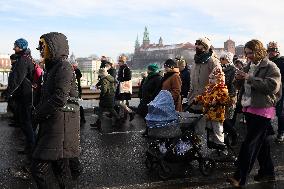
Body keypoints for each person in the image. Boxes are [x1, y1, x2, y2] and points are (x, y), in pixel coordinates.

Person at [227, 39, 281, 187]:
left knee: (249, 143)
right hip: (249, 108)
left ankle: (239, 177)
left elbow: (273, 86)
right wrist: (237, 80)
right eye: (246, 53)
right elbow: (242, 86)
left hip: (263, 109)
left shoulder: (270, 66)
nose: (248, 56)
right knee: (262, 143)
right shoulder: (249, 65)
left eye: (250, 53)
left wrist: (249, 78)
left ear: (258, 51)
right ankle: (267, 171)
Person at [31, 32, 80, 189]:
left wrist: (37, 113)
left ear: (53, 47)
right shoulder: (52, 68)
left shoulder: (63, 67)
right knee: (61, 171)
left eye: (43, 47)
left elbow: (60, 97)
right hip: (55, 124)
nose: (40, 50)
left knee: (39, 169)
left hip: (60, 126)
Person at [5, 38, 35, 156]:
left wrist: (8, 93)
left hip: (24, 95)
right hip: (25, 94)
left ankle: (32, 148)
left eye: (16, 46)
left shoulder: (23, 60)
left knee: (26, 122)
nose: (14, 48)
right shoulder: (27, 58)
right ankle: (30, 147)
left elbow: (17, 79)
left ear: (21, 47)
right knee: (25, 122)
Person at [195, 66, 231, 151]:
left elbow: (225, 99)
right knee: (209, 129)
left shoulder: (222, 89)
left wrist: (218, 100)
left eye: (213, 79)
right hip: (208, 113)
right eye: (210, 78)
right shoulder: (209, 88)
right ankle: (212, 144)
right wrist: (198, 98)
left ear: (219, 79)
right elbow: (204, 96)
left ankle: (221, 145)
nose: (211, 80)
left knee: (217, 130)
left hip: (217, 114)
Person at [188, 37, 220, 111]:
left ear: (205, 46)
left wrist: (212, 99)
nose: (196, 46)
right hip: (193, 101)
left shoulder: (213, 61)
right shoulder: (195, 61)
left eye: (199, 44)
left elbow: (219, 82)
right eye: (196, 44)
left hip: (206, 103)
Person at [267, 41, 284, 142]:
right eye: (269, 50)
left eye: (273, 50)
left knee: (279, 111)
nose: (270, 52)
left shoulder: (282, 61)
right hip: (268, 89)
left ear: (277, 51)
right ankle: (269, 129)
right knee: (265, 110)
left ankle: (281, 132)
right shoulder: (266, 61)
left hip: (280, 89)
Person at [220, 52, 238, 146]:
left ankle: (233, 135)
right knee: (223, 118)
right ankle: (226, 138)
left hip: (229, 97)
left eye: (223, 59)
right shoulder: (221, 69)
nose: (221, 60)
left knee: (227, 119)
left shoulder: (233, 70)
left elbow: (233, 85)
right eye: (221, 58)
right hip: (221, 97)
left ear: (228, 59)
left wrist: (231, 97)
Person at [115, 55, 135, 121]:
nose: (118, 62)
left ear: (123, 61)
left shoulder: (126, 68)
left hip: (123, 87)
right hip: (122, 86)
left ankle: (130, 112)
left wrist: (119, 79)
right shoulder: (122, 68)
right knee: (121, 102)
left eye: (120, 61)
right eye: (119, 61)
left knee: (119, 102)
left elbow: (128, 78)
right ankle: (122, 116)